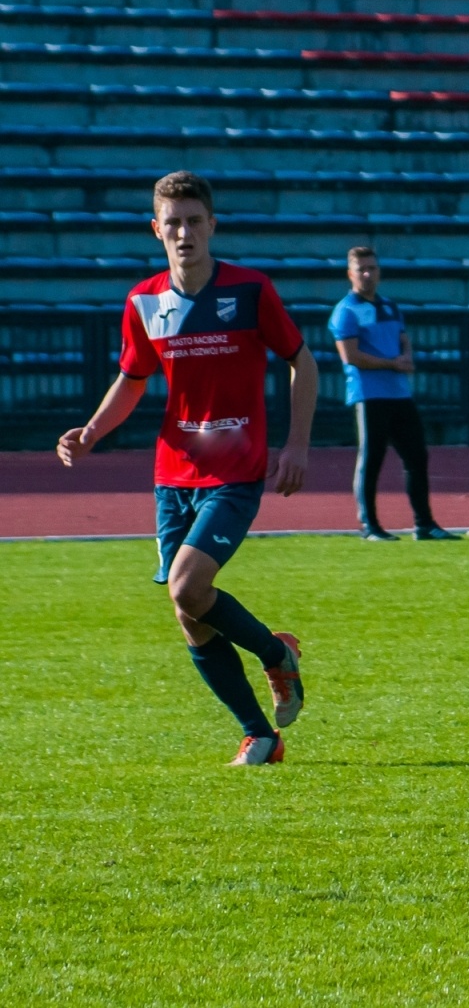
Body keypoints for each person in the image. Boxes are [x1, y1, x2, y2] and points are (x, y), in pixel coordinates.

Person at [56, 170, 317, 767]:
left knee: (187, 586)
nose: (184, 233)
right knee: (188, 611)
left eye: (194, 221)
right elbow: (132, 378)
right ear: (156, 230)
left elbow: (303, 361)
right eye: (172, 223)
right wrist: (92, 431)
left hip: (235, 469)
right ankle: (261, 734)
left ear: (212, 225)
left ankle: (276, 655)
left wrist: (298, 445)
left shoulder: (250, 291)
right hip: (173, 475)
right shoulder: (144, 301)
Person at [328, 247, 457, 542]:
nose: (367, 274)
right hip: (369, 394)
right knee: (371, 460)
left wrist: (407, 357)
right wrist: (392, 363)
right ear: (350, 274)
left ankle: (424, 524)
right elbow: (351, 356)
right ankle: (369, 526)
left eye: (372, 268)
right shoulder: (346, 310)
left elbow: (403, 339)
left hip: (399, 394)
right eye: (361, 269)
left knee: (417, 458)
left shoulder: (389, 306)